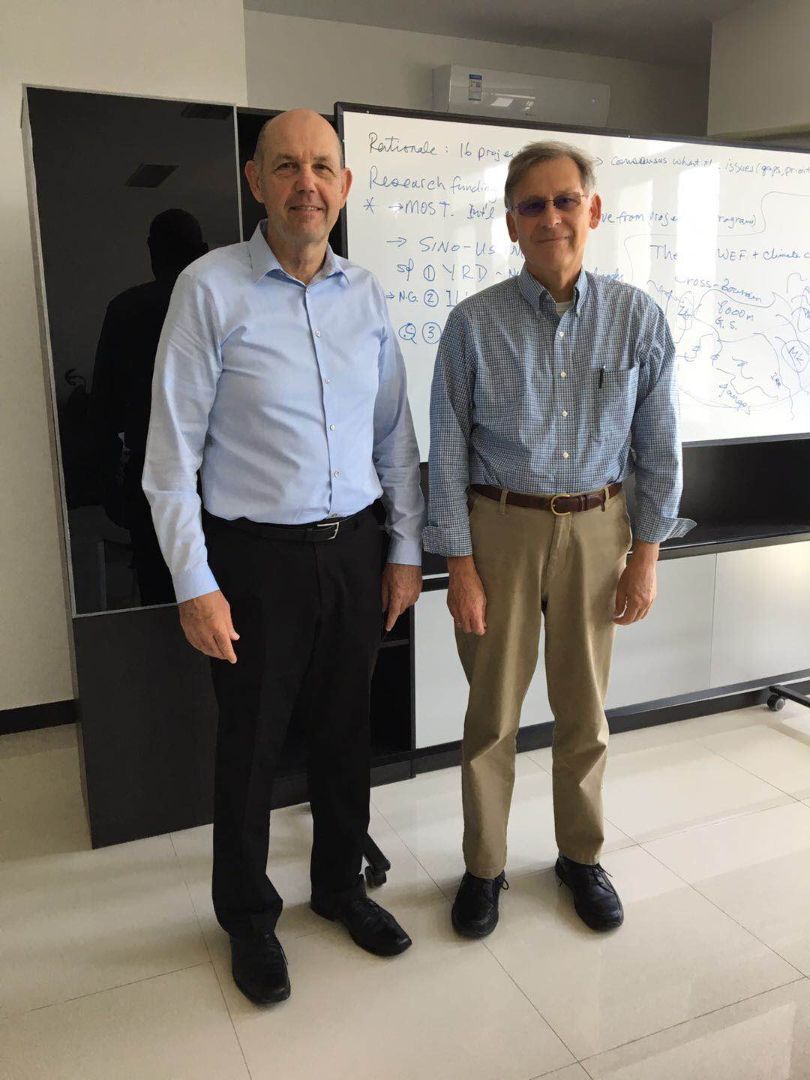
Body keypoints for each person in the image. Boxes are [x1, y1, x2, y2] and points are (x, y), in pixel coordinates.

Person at [143, 109, 424, 1005]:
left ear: (345, 186)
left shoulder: (368, 293)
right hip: (253, 561)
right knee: (253, 746)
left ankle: (340, 887)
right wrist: (196, 582)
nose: (309, 183)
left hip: (354, 552)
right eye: (288, 166)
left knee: (347, 733)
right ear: (256, 182)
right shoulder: (208, 289)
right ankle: (249, 919)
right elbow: (168, 458)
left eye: (324, 167)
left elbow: (393, 435)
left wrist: (404, 550)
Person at [424, 140, 695, 938]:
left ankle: (580, 855)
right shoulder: (472, 325)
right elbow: (447, 451)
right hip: (498, 529)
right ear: (512, 223)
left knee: (584, 711)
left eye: (565, 200)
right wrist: (459, 568)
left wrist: (644, 555)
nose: (551, 217)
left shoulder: (638, 318)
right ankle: (484, 867)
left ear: (594, 211)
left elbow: (659, 448)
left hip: (596, 528)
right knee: (493, 716)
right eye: (532, 205)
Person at [91, 209, 208, 605]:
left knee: (158, 598)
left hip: (148, 475)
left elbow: (103, 410)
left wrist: (109, 486)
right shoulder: (222, 304)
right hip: (222, 479)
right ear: (202, 250)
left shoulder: (126, 309)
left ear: (152, 253)